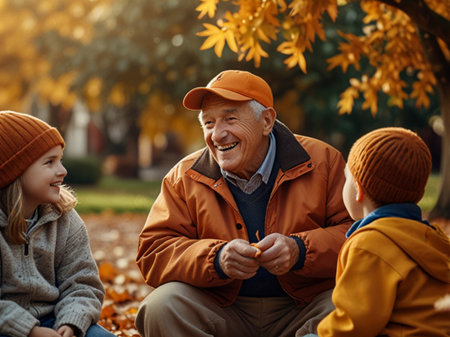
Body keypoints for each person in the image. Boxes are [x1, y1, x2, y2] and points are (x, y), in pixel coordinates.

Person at [136, 70, 353, 337]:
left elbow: (356, 234)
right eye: (208, 123)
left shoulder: (324, 161)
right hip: (222, 308)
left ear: (267, 121)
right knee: (161, 306)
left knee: (353, 305)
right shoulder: (183, 176)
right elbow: (154, 251)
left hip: (304, 307)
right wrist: (216, 258)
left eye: (230, 119)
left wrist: (300, 250)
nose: (217, 135)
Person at [307, 127, 450, 337]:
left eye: (346, 177)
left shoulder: (369, 245)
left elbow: (354, 324)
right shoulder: (430, 236)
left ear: (359, 189)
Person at [0, 111, 115, 337]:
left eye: (60, 160)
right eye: (49, 162)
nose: (62, 171)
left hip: (56, 318)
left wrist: (71, 322)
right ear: (15, 171)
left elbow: (83, 283)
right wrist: (30, 331)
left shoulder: (65, 219)